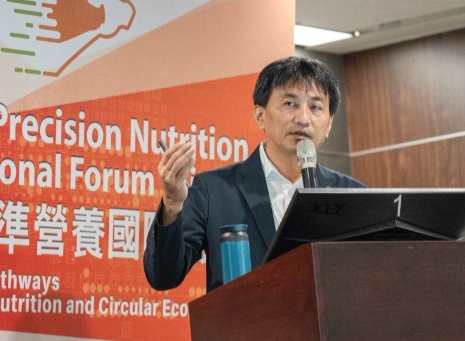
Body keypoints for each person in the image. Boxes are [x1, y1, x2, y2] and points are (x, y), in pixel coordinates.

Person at [143, 57, 366, 292]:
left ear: (329, 124)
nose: (303, 118)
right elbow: (163, 276)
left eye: (315, 107)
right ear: (260, 116)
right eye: (290, 104)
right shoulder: (213, 190)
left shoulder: (353, 195)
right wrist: (172, 204)